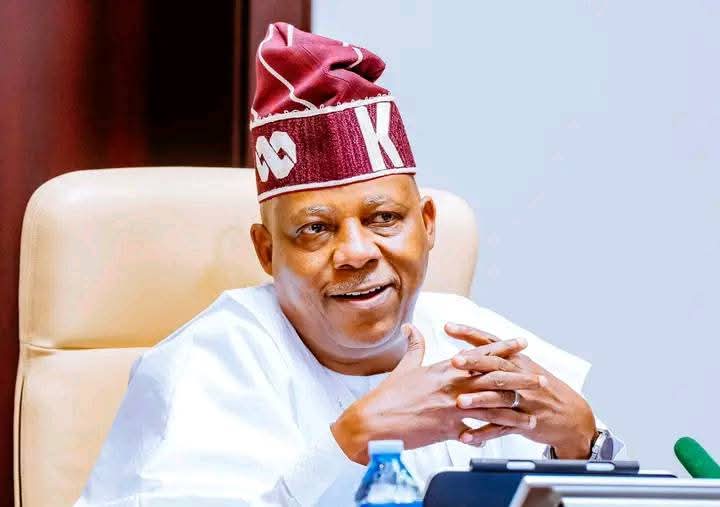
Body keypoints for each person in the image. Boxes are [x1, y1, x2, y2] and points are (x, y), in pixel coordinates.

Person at [75, 23, 623, 507]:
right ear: (267, 252)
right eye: (315, 228)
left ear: (427, 224)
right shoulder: (209, 365)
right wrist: (351, 441)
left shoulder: (481, 348)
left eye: (384, 218)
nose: (357, 253)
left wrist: (581, 445)